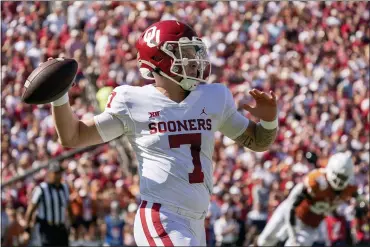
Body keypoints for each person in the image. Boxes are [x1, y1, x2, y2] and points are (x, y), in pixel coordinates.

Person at [46, 20, 278, 246]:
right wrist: (59, 96)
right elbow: (73, 136)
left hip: (197, 221)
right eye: (184, 53)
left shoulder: (214, 97)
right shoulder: (133, 101)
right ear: (160, 60)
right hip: (162, 216)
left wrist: (268, 120)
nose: (193, 60)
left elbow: (257, 141)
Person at [257, 152, 359, 247]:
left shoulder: (350, 189)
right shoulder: (316, 181)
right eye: (338, 175)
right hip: (292, 212)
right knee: (265, 241)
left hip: (310, 225)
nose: (339, 181)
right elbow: (291, 205)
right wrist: (292, 233)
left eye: (343, 177)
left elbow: (361, 200)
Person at [24, 163, 73, 246]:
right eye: (55, 173)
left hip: (61, 228)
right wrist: (27, 226)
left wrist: (72, 223)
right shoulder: (41, 189)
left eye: (59, 173)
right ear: (49, 174)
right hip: (46, 228)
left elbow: (68, 207)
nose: (58, 176)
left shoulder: (65, 188)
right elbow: (31, 208)